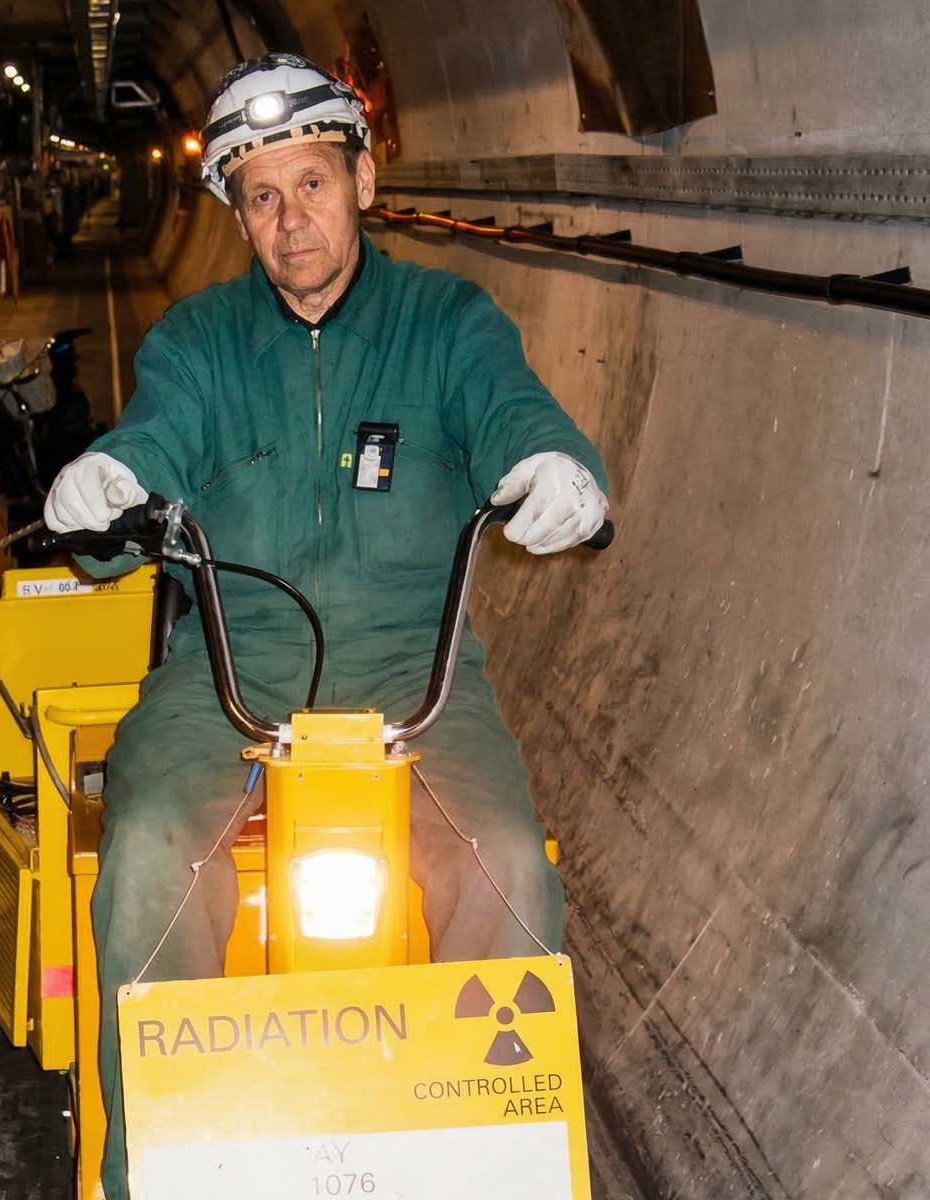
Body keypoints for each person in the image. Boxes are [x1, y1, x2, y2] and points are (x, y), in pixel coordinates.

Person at [43, 52, 609, 1200]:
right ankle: (161, 1170)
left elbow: (512, 410)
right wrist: (108, 487)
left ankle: (493, 1170)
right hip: (229, 681)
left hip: (417, 682)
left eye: (311, 183)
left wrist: (555, 467)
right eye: (262, 196)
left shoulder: (447, 321)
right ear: (236, 216)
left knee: (506, 861)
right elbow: (156, 440)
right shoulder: (198, 342)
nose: (290, 218)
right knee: (147, 856)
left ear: (362, 181)